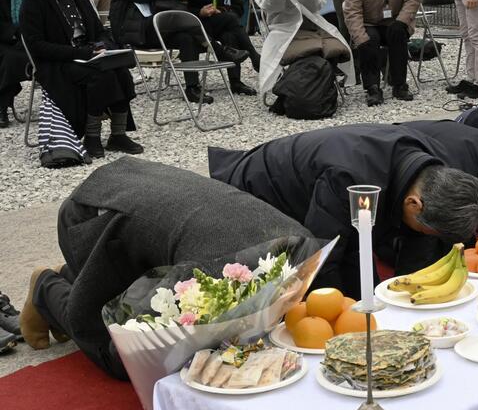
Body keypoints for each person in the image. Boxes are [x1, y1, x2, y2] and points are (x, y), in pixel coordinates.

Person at [18, 157, 318, 379]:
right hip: (93, 217)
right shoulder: (209, 281)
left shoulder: (300, 245)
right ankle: (46, 286)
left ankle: (74, 277)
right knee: (124, 354)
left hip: (134, 192)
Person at [208, 124, 478, 296]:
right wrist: (344, 313)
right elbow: (323, 256)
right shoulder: (350, 180)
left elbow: (417, 240)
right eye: (429, 229)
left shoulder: (434, 169)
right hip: (262, 188)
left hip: (325, 178)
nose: (428, 235)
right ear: (414, 204)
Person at [19, 0, 142, 162]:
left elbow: (97, 29)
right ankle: (92, 136)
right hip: (58, 61)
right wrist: (78, 53)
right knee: (99, 75)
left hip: (87, 53)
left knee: (120, 69)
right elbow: (37, 45)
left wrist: (102, 46)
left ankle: (118, 133)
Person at [110, 0, 212, 104]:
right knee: (177, 20)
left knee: (185, 37)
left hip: (153, 29)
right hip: (132, 29)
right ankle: (215, 45)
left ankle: (192, 88)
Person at [343, 0, 420, 106]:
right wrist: (360, 38)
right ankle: (372, 88)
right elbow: (352, 13)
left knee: (397, 32)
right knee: (368, 39)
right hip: (369, 23)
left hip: (395, 19)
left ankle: (399, 84)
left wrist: (403, 20)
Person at [181, 0, 261, 95]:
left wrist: (222, 10)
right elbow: (182, 8)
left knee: (230, 33)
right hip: (198, 25)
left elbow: (239, 9)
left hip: (220, 23)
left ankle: (235, 82)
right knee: (230, 20)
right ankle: (253, 55)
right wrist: (201, 11)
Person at [0, 0, 37, 128]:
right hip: (6, 40)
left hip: (32, 39)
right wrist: (15, 34)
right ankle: (2, 106)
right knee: (9, 59)